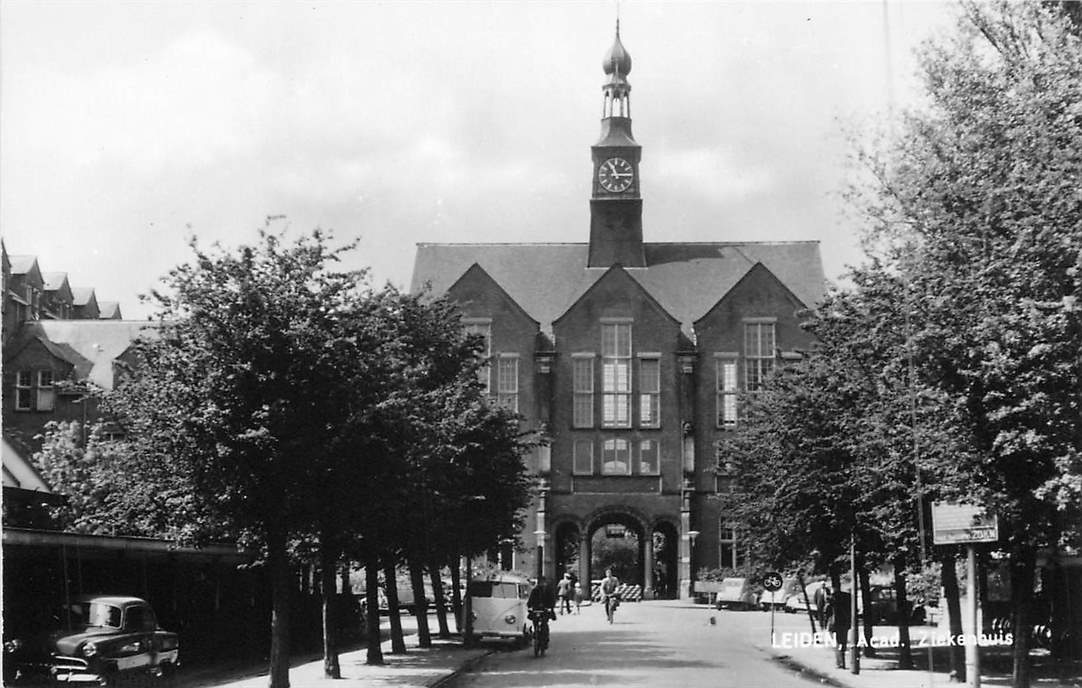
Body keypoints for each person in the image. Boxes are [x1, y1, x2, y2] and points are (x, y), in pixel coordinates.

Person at [825, 584, 852, 669]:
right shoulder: (847, 598)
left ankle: (839, 662)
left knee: (836, 643)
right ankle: (842, 662)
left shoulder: (832, 601)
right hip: (844, 624)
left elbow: (826, 611)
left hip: (835, 625)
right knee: (842, 643)